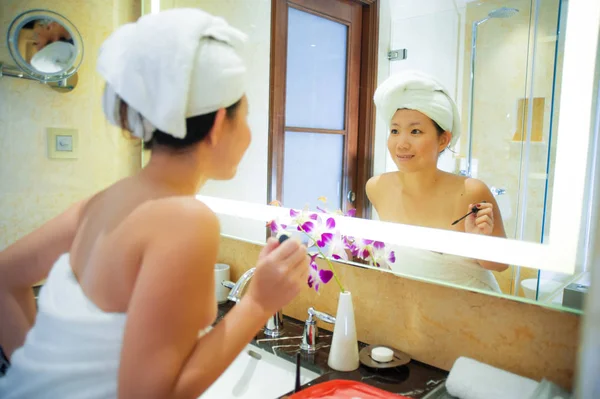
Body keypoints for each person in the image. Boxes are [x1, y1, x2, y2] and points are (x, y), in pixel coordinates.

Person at [0, 8, 309, 398]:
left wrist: (37, 380)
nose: (249, 136)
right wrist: (259, 304)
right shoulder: (186, 219)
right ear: (217, 125)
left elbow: (4, 277)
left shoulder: (100, 203)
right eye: (244, 118)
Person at [367, 70, 508, 292]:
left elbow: (500, 265)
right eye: (394, 131)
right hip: (418, 309)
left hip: (475, 311)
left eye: (415, 131)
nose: (401, 144)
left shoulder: (469, 192)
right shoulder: (376, 188)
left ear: (443, 140)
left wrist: (479, 243)